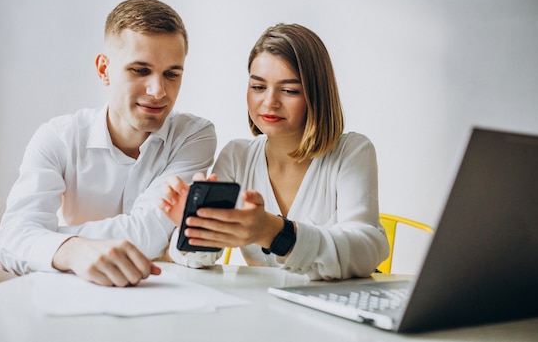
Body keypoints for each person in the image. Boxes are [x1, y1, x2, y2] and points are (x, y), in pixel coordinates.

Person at [0, 0, 216, 287]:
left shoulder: (195, 135)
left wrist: (29, 242)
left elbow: (148, 234)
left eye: (171, 74)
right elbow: (17, 232)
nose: (158, 91)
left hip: (160, 297)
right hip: (73, 296)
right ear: (104, 70)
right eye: (140, 70)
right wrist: (71, 250)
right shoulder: (58, 137)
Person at [161, 23, 389, 280]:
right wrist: (194, 227)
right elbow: (192, 259)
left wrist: (274, 232)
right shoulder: (237, 155)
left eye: (290, 90)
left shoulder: (352, 152)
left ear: (317, 95)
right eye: (258, 87)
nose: (269, 102)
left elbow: (367, 249)